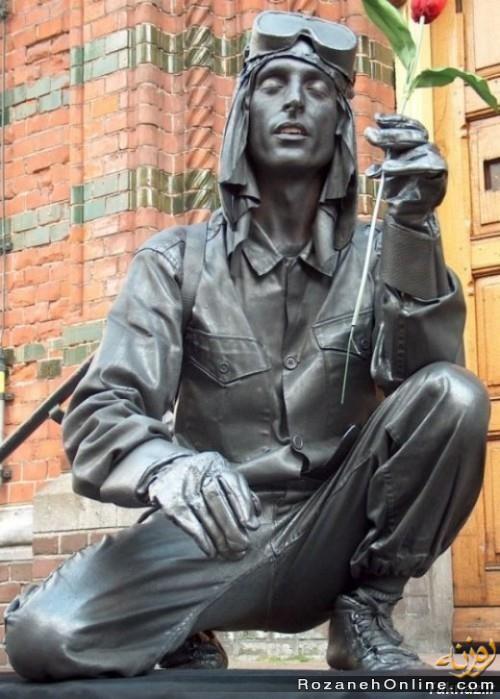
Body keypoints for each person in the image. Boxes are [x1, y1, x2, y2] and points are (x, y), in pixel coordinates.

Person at [4, 11, 490, 680]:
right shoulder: (174, 261)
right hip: (216, 531)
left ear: (341, 122)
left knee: (458, 396)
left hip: (338, 528)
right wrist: (170, 469)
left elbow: (429, 389)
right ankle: (186, 629)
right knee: (43, 634)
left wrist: (414, 229)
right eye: (274, 84)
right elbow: (100, 412)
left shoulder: (383, 250)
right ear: (242, 113)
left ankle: (368, 612)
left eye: (316, 88)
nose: (294, 101)